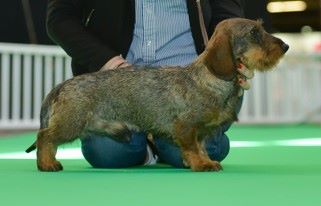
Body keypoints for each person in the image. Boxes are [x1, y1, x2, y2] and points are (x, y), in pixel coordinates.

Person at [46, 0, 246, 168]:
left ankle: (160, 143)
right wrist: (107, 61)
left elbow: (227, 18)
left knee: (208, 149)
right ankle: (152, 147)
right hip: (117, 83)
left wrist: (234, 57)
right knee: (108, 153)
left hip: (193, 84)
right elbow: (59, 19)